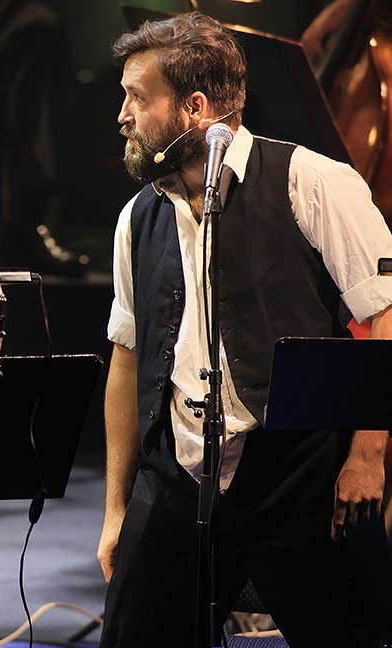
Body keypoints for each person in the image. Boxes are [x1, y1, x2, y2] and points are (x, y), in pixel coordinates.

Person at [98, 12, 392, 647]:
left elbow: (384, 319)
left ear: (194, 108)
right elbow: (126, 360)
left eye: (137, 98)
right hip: (177, 476)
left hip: (296, 472)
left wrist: (368, 458)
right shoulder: (136, 218)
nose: (122, 115)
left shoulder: (314, 183)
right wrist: (117, 508)